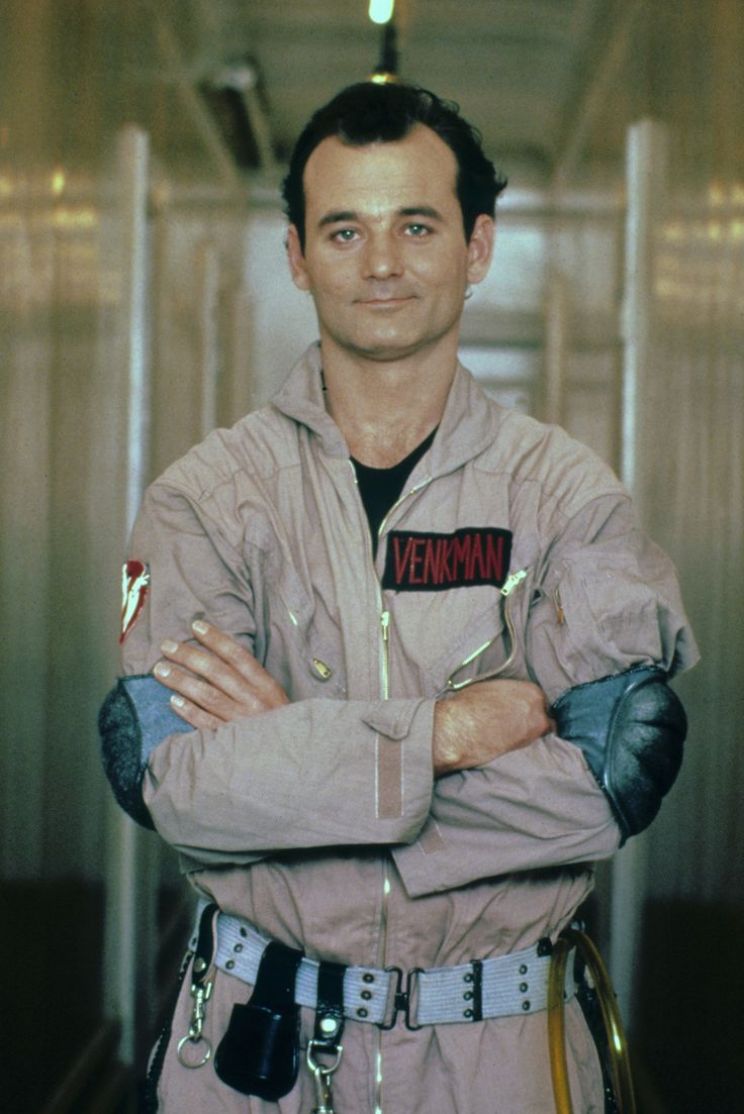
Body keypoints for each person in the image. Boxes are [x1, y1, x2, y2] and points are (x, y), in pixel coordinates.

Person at [100, 82, 698, 1114]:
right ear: (297, 256)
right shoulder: (205, 500)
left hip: (504, 1060)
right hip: (257, 1057)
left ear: (477, 246)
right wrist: (443, 737)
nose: (381, 263)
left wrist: (292, 755)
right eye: (345, 230)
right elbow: (175, 784)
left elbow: (610, 779)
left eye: (415, 226)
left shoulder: (567, 499)